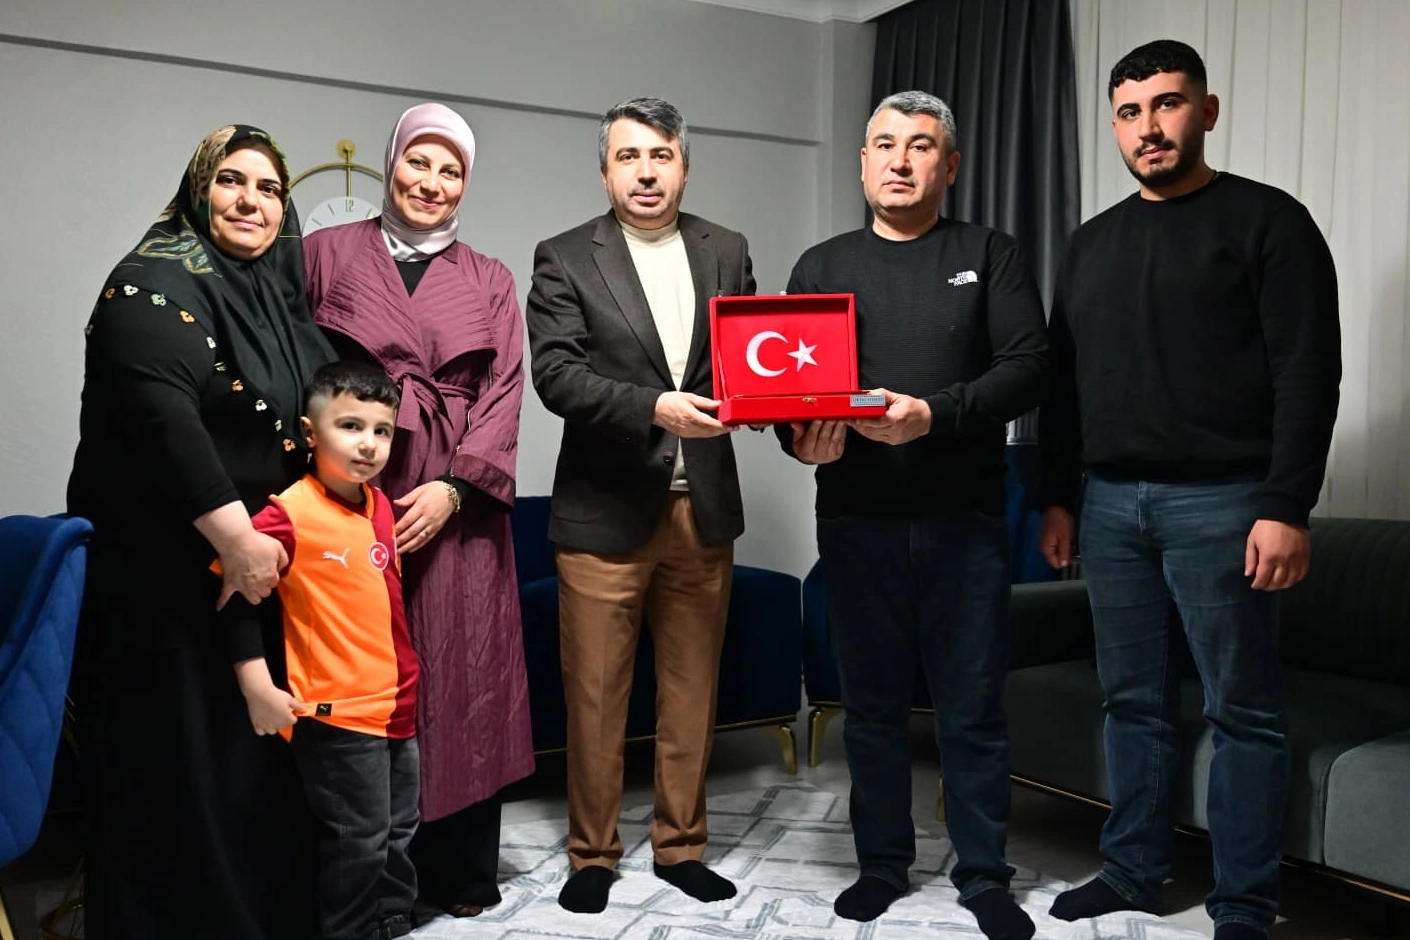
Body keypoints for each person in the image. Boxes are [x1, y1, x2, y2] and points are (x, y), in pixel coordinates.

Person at [1036, 40, 1341, 940]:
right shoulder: (1091, 242)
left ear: (1205, 112)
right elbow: (1064, 386)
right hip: (1109, 505)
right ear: (1116, 127)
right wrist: (1057, 498)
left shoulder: (1269, 222)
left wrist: (1286, 506)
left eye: (1166, 105)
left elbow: (1307, 373)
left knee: (1241, 711)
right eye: (1129, 113)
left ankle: (1243, 902)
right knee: (1131, 700)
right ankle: (1133, 871)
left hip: (1228, 504)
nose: (1149, 127)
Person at [776, 91, 1047, 940]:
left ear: (949, 165)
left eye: (921, 146)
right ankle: (882, 866)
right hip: (856, 520)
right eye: (885, 145)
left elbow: (1028, 366)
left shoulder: (990, 254)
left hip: (966, 521)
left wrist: (933, 415)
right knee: (873, 708)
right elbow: (789, 394)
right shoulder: (821, 265)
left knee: (972, 707)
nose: (900, 160)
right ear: (862, 163)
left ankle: (984, 875)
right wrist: (802, 444)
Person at [67, 124, 334, 940]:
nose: (251, 201)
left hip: (257, 582)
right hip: (169, 581)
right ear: (198, 189)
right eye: (231, 180)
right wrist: (236, 539)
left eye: (269, 188)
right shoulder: (150, 283)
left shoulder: (275, 298)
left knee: (254, 771)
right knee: (180, 774)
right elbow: (162, 419)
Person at [524, 96, 755, 915]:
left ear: (684, 167)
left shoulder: (727, 249)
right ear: (605, 171)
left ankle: (681, 846)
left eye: (661, 155)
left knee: (692, 694)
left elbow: (747, 362)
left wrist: (783, 396)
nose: (646, 171)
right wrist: (655, 407)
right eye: (629, 156)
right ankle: (593, 854)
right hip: (603, 514)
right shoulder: (564, 256)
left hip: (702, 511)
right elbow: (557, 375)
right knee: (595, 699)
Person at [303, 102, 533, 918]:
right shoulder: (324, 254)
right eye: (419, 162)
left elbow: (505, 391)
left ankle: (459, 872)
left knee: (465, 675)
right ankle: (360, 877)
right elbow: (295, 365)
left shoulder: (491, 278)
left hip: (458, 502)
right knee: (356, 675)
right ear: (391, 161)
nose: (432, 182)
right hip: (350, 490)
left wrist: (455, 487)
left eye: (451, 170)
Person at [218, 360, 420, 940]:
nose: (369, 444)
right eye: (350, 426)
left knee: (400, 828)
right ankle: (348, 929)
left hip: (399, 703)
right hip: (336, 714)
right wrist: (257, 685)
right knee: (359, 837)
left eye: (382, 431)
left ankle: (393, 918)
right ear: (310, 432)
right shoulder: (287, 513)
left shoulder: (382, 506)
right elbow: (235, 597)